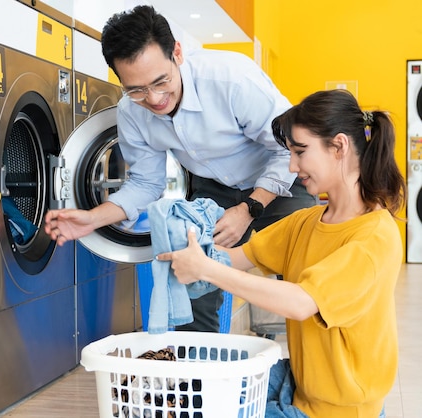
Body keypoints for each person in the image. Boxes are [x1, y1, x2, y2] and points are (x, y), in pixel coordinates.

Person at [43, 5, 317, 332]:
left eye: (161, 81)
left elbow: (287, 147)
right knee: (192, 278)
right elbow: (146, 184)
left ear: (177, 53)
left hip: (282, 179)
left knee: (307, 277)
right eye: (137, 89)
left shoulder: (232, 79)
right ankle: (198, 374)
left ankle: (314, 372)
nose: (155, 99)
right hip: (213, 190)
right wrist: (92, 218)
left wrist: (248, 208)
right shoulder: (132, 113)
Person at [157, 89, 405, 417]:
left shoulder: (375, 237)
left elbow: (301, 302)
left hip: (341, 410)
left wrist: (207, 270)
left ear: (339, 146)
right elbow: (233, 259)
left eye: (300, 152)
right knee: (204, 393)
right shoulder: (305, 222)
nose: (292, 165)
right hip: (299, 386)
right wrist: (187, 244)